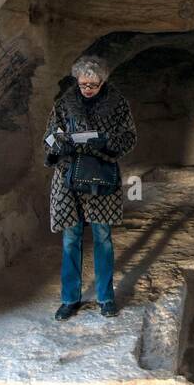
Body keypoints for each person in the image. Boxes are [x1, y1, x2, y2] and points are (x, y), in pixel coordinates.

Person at [43, 56, 137, 320]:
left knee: (103, 238)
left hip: (100, 175)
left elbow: (129, 136)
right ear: (77, 80)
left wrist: (105, 145)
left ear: (103, 81)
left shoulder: (118, 105)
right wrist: (57, 146)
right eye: (84, 84)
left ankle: (106, 297)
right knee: (71, 238)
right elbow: (49, 135)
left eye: (93, 85)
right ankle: (69, 299)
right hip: (69, 175)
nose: (87, 89)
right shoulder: (64, 104)